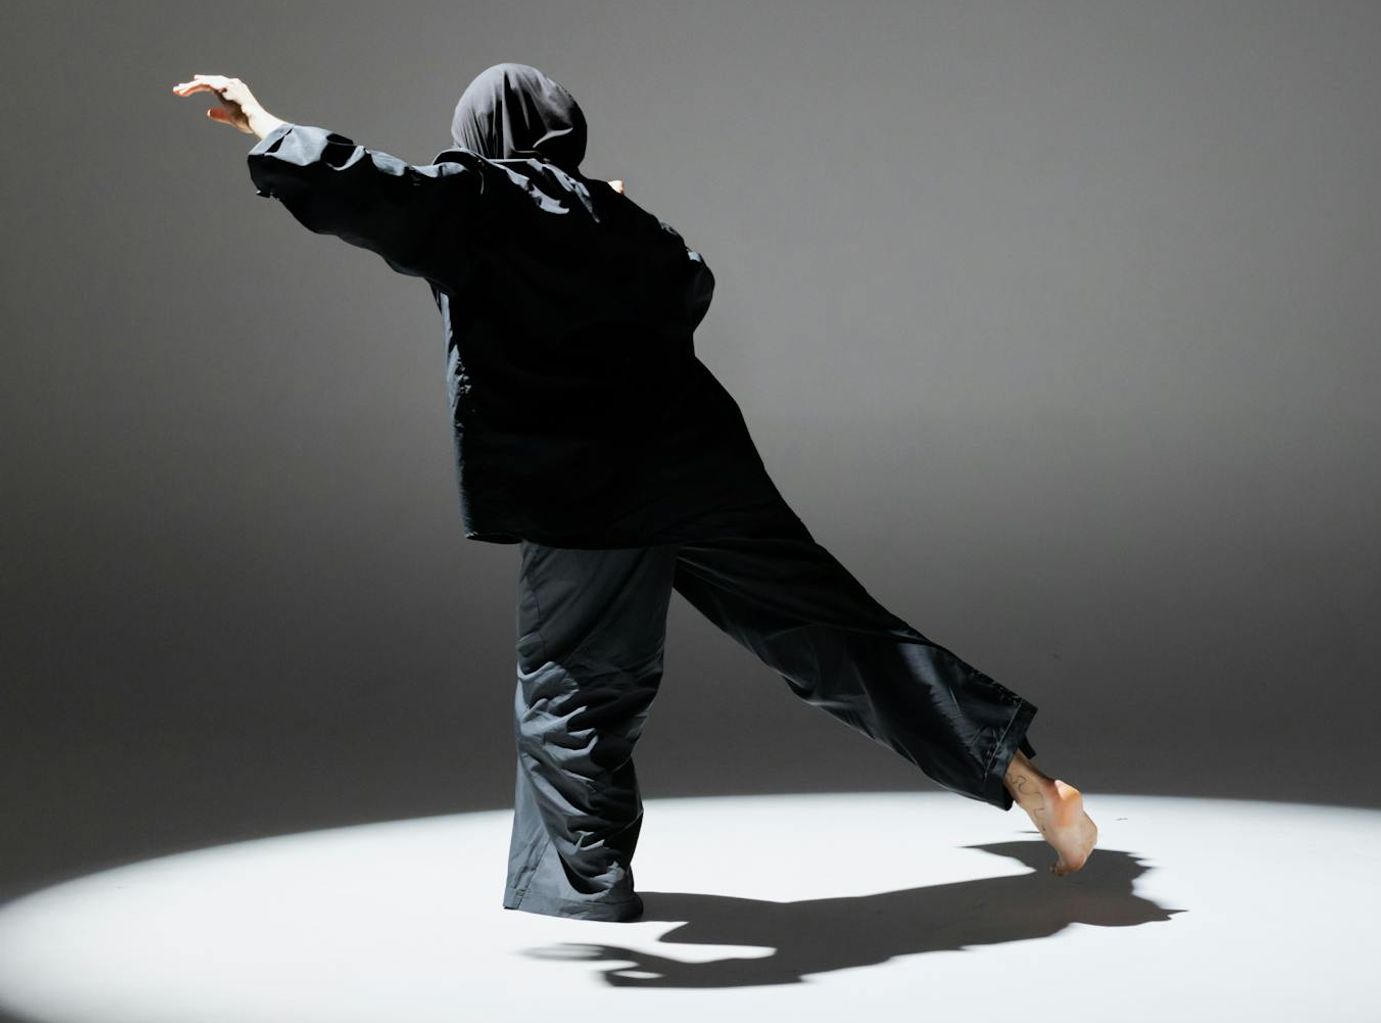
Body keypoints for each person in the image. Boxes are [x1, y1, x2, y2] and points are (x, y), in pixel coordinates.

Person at [171, 64, 1097, 922]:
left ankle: (582, 898)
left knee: (572, 686)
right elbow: (688, 289)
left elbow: (375, 190)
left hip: (592, 488)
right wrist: (604, 222)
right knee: (840, 637)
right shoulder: (630, 222)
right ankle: (1030, 788)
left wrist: (267, 122)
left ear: (483, 134)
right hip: (701, 467)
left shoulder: (484, 199)